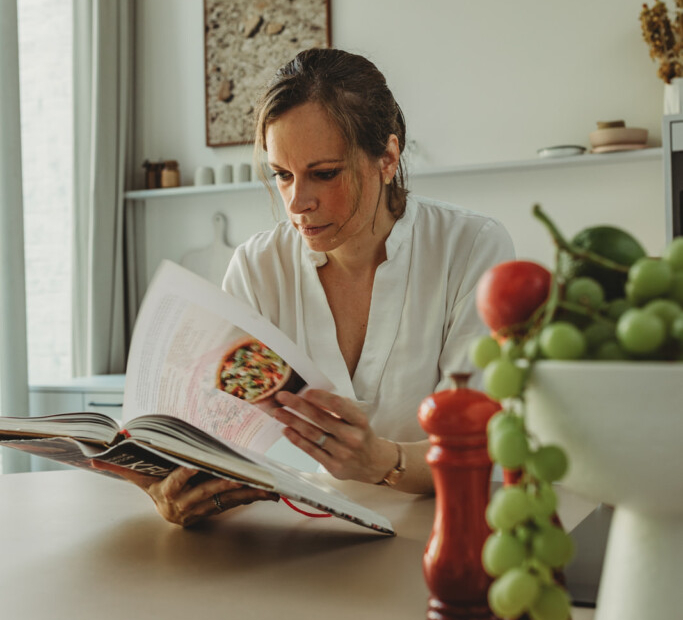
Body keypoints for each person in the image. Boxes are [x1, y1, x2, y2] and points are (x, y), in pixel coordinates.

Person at [103, 48, 514, 526]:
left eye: (324, 174)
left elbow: (478, 442)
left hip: (454, 526)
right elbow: (216, 431)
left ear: (387, 157)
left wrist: (382, 461)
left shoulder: (471, 247)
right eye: (282, 175)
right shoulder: (258, 266)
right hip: (319, 537)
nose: (297, 202)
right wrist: (177, 485)